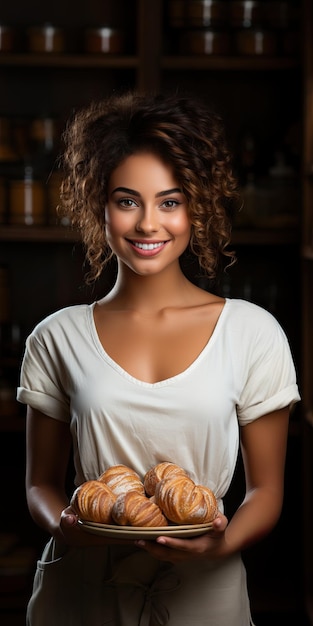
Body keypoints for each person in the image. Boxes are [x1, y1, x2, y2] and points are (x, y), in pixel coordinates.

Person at [17, 91, 300, 626]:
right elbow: (39, 485)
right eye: (127, 201)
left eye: (170, 202)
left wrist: (217, 547)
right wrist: (64, 524)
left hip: (204, 598)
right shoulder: (56, 337)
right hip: (78, 595)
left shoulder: (252, 333)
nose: (149, 223)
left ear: (198, 206)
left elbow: (266, 491)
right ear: (97, 204)